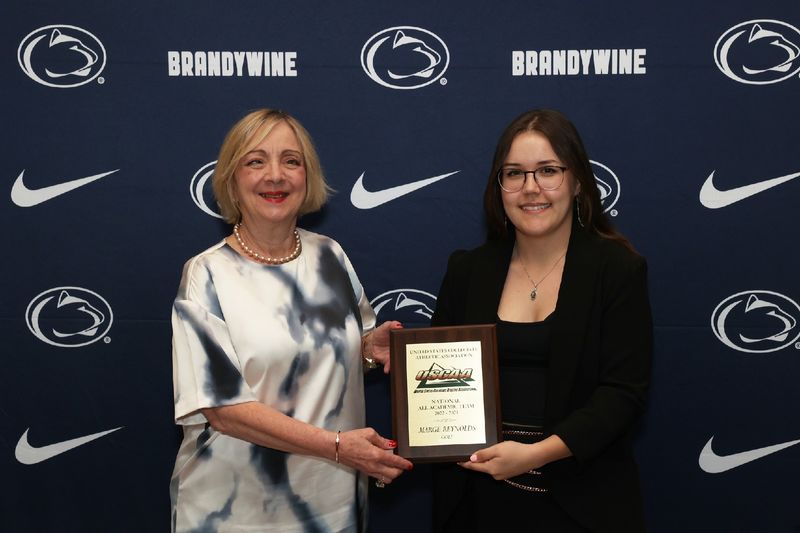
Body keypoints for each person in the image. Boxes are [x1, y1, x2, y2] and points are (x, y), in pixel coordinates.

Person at [169, 108, 412, 532]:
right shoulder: (206, 275)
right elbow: (224, 410)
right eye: (256, 161)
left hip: (333, 507)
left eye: (291, 161)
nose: (275, 175)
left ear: (307, 175)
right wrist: (338, 447)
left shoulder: (330, 256)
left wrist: (367, 351)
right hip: (234, 513)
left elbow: (324, 357)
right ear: (231, 179)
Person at [430, 109, 652, 533]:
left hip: (580, 502)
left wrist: (534, 455)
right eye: (514, 174)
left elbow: (623, 395)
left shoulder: (618, 269)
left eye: (548, 170)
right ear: (499, 187)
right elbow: (437, 378)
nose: (531, 188)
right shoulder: (467, 270)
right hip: (476, 501)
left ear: (577, 181)